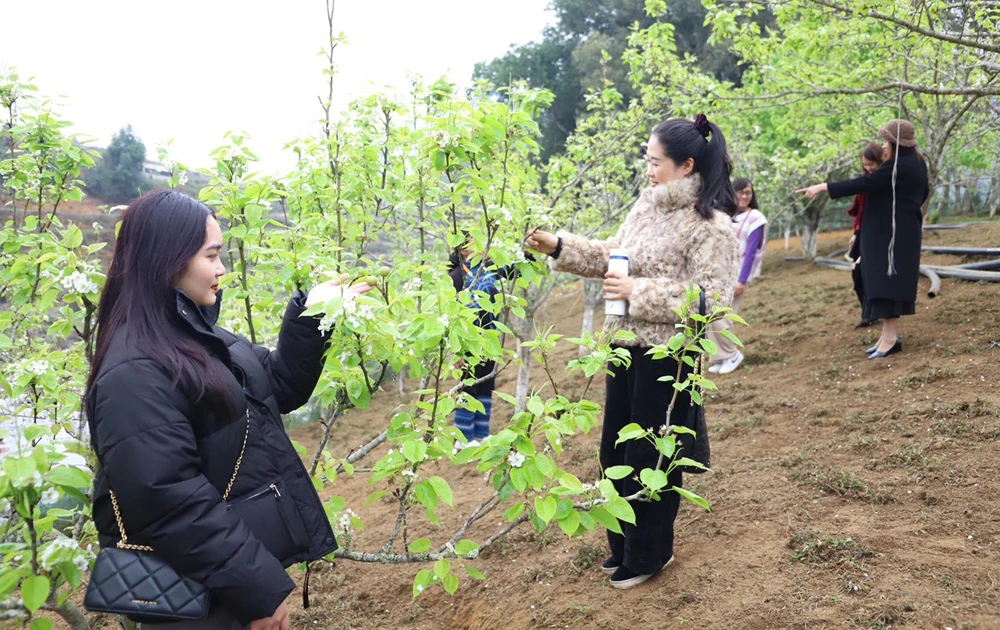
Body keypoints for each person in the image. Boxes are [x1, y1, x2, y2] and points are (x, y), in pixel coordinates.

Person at [85, 190, 371, 629]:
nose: (221, 269)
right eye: (211, 256)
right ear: (169, 259)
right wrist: (257, 592)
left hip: (219, 580)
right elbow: (169, 501)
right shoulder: (135, 369)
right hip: (197, 595)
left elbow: (273, 386)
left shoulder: (194, 336)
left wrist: (314, 315)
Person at [526, 115, 739, 589]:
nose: (647, 169)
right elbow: (612, 255)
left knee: (653, 457)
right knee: (616, 450)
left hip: (669, 358)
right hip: (625, 348)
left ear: (685, 166)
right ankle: (621, 545)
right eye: (646, 160)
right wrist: (558, 245)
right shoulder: (646, 206)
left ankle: (648, 554)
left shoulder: (712, 227)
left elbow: (712, 299)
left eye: (654, 161)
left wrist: (636, 291)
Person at [798, 119, 929, 359]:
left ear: (895, 143)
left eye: (885, 141)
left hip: (891, 237)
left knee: (887, 284)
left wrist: (823, 187)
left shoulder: (900, 165)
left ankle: (890, 339)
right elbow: (922, 194)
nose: (883, 146)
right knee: (881, 281)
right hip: (893, 234)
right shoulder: (917, 163)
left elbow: (865, 183)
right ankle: (887, 337)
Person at [707, 177, 766, 375]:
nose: (744, 196)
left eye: (748, 192)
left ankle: (732, 355)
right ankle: (721, 357)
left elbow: (751, 251)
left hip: (738, 274)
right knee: (712, 313)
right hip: (720, 272)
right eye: (740, 192)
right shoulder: (725, 215)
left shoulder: (755, 218)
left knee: (722, 315)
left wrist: (742, 279)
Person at [846, 142, 885, 328]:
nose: (868, 168)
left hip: (875, 233)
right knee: (857, 273)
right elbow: (861, 212)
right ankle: (867, 311)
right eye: (866, 165)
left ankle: (871, 312)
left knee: (864, 272)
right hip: (862, 231)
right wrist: (856, 232)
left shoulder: (880, 183)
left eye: (872, 164)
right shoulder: (865, 183)